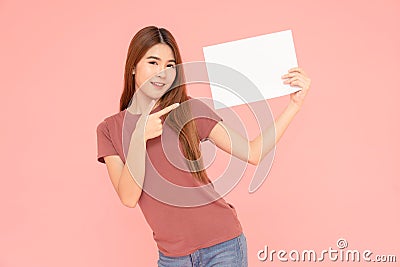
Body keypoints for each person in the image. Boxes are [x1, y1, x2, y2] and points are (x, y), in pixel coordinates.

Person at [96, 25, 311, 267]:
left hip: (224, 246)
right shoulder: (108, 129)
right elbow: (128, 197)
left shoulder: (189, 109)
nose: (162, 72)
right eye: (153, 62)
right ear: (133, 66)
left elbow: (254, 152)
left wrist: (294, 105)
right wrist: (139, 137)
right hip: (172, 257)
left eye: (170, 65)